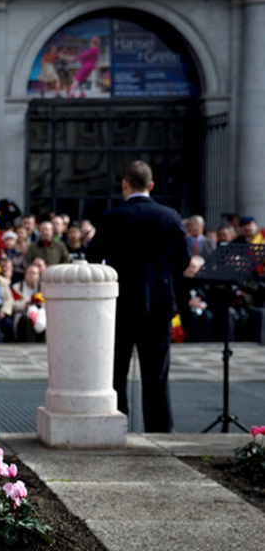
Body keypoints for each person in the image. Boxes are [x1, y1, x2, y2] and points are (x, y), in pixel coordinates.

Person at [87, 160, 191, 432]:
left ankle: (116, 427)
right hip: (158, 307)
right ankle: (159, 432)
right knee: (156, 375)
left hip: (119, 308)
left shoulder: (112, 217)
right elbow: (183, 262)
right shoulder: (170, 217)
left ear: (124, 184)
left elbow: (93, 259)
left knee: (116, 373)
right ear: (151, 185)